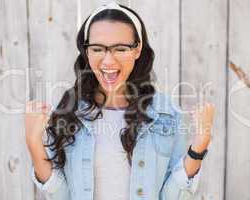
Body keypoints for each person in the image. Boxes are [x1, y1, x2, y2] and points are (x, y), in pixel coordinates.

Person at [25, 2, 215, 200]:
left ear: (137, 49)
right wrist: (34, 143)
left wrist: (199, 145)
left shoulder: (166, 114)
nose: (108, 61)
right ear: (86, 51)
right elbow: (61, 196)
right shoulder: (67, 113)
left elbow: (170, 196)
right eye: (97, 49)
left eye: (121, 48)